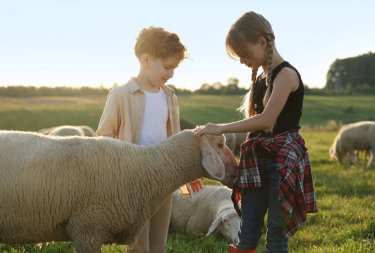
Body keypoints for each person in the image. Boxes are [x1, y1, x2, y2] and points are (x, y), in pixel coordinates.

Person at [195, 11, 317, 253]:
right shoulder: (262, 78)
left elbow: (266, 121)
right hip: (257, 161)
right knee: (247, 231)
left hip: (282, 163)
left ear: (262, 42)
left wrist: (221, 128)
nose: (242, 61)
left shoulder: (287, 75)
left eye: (244, 54)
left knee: (275, 234)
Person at [96, 26, 202, 253]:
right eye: (167, 67)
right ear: (145, 60)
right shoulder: (121, 94)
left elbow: (175, 139)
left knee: (158, 241)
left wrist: (186, 171)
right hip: (133, 178)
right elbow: (103, 136)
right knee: (137, 243)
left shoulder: (169, 96)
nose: (171, 73)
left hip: (164, 176)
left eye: (174, 68)